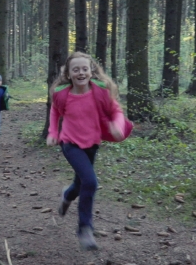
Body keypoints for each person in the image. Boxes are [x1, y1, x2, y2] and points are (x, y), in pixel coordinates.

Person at [47, 52, 132, 251]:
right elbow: (55, 111)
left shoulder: (100, 91)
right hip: (70, 144)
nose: (81, 72)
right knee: (91, 182)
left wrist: (117, 126)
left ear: (91, 71)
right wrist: (53, 132)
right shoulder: (63, 94)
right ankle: (85, 228)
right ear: (68, 73)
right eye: (75, 69)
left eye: (84, 68)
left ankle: (67, 196)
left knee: (80, 183)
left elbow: (116, 111)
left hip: (92, 144)